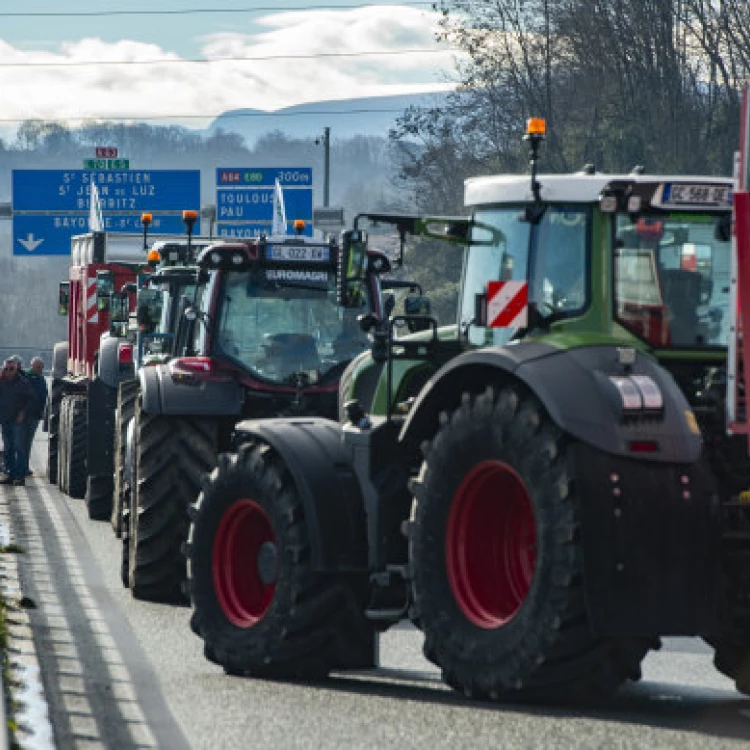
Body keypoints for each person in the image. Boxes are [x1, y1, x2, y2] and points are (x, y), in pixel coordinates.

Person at [0, 358, 34, 486]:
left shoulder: (23, 382)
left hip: (17, 420)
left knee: (19, 448)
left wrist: (23, 412)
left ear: (16, 369)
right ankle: (10, 474)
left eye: (11, 369)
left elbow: (31, 399)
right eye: (6, 369)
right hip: (5, 419)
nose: (9, 371)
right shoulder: (1, 381)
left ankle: (20, 476)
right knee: (8, 448)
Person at [24, 357, 48, 477]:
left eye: (41, 367)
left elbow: (44, 397)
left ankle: (23, 466)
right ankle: (20, 467)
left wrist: (43, 411)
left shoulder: (42, 379)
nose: (40, 369)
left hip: (35, 415)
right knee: (21, 442)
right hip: (24, 414)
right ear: (32, 366)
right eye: (38, 367)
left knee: (28, 442)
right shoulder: (26, 377)